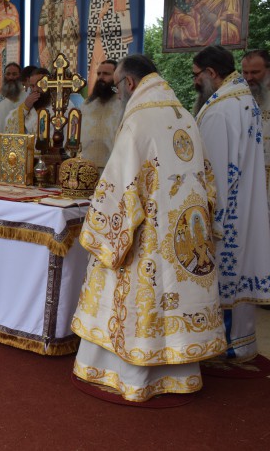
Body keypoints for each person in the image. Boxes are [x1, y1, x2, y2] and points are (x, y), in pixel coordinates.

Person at [72, 54, 226, 402]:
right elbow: (208, 182)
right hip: (185, 239)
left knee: (133, 292)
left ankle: (130, 374)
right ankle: (180, 373)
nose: (118, 93)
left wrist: (100, 229)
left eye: (118, 86)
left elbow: (120, 187)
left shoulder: (139, 120)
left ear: (128, 83)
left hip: (148, 240)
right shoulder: (184, 115)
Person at [193, 45, 270, 360]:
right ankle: (240, 342)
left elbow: (213, 173)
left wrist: (209, 220)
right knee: (240, 273)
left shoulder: (221, 110)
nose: (194, 81)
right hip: (245, 207)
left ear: (211, 73)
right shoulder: (244, 101)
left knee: (225, 276)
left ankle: (221, 345)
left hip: (227, 217)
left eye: (196, 75)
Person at [86, 0, 133, 87]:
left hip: (117, 33)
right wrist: (102, 13)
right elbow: (92, 15)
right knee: (98, 64)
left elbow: (126, 11)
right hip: (100, 32)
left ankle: (117, 90)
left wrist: (125, 34)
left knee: (117, 65)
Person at [79, 59, 125, 171]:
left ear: (117, 77)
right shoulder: (86, 105)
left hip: (112, 167)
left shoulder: (123, 105)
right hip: (86, 166)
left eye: (106, 74)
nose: (101, 77)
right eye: (98, 74)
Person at [5, 67, 78, 137]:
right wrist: (25, 107)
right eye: (32, 86)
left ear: (50, 84)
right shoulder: (29, 107)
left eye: (40, 85)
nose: (35, 89)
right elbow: (9, 120)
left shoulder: (64, 105)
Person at [241, 49, 270, 211]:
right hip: (250, 177)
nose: (249, 78)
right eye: (245, 72)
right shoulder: (240, 99)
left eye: (255, 72)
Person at [38, 0, 80, 72]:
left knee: (67, 62)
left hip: (67, 33)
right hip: (52, 34)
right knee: (53, 64)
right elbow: (43, 17)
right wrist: (48, 18)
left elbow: (74, 15)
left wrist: (71, 23)